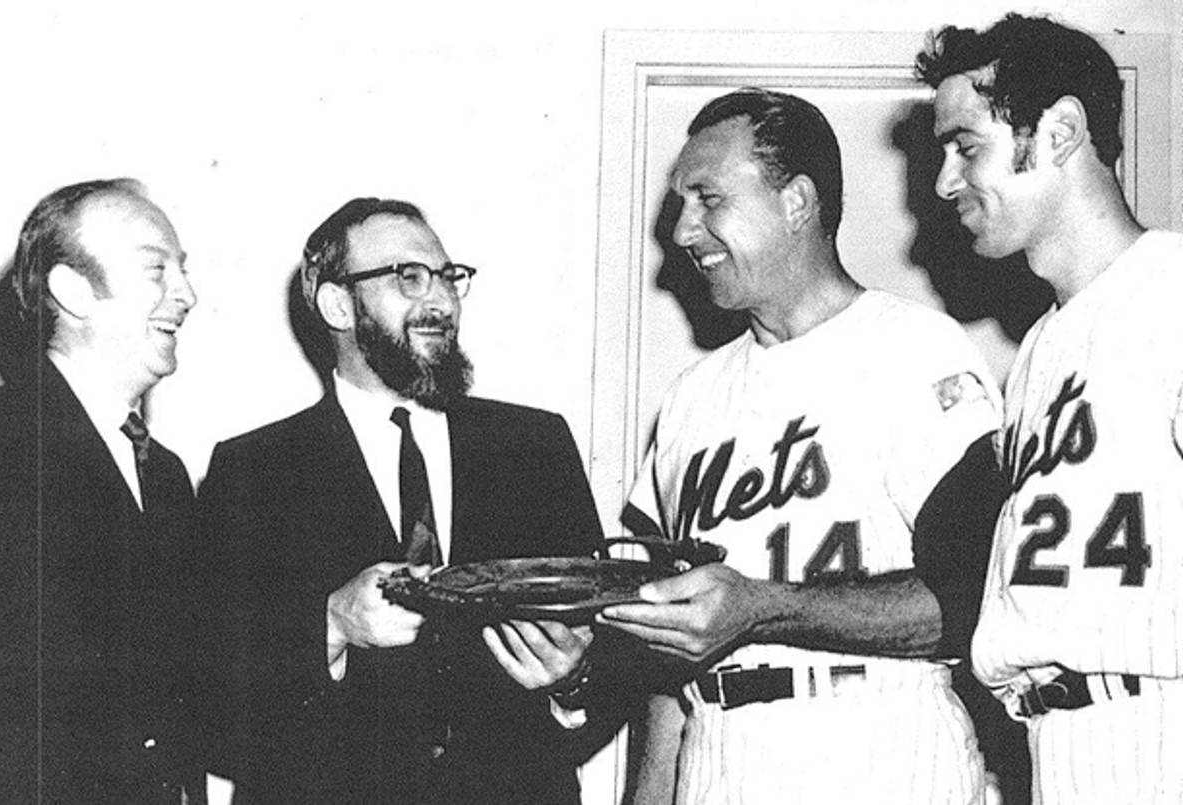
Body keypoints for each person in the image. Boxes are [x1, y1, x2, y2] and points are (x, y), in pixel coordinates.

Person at [597, 88, 1007, 804]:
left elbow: (974, 594)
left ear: (797, 202)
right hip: (718, 756)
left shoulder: (913, 349)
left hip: (880, 744)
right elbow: (665, 657)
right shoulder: (692, 396)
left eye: (707, 198)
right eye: (682, 205)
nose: (685, 231)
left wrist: (762, 606)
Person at [196, 198, 607, 804]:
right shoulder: (253, 471)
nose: (441, 301)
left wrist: (573, 685)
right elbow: (206, 697)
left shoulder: (534, 445)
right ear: (338, 303)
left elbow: (618, 644)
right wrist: (329, 627)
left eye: (448, 277)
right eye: (407, 277)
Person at [917, 14, 1183, 804]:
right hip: (1057, 746)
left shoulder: (1172, 295)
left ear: (1061, 131)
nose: (944, 181)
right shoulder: (1038, 350)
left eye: (967, 147)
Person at [0, 178, 203, 802]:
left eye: (182, 270)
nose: (186, 294)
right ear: (72, 289)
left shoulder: (164, 475)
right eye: (157, 269)